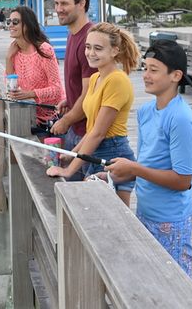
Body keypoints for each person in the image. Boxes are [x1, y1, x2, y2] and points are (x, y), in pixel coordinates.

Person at [104, 39, 192, 276]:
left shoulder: (180, 118)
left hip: (171, 219)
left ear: (176, 75)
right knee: (149, 278)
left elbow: (183, 180)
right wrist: (113, 171)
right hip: (145, 211)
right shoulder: (146, 111)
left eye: (153, 70)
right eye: (144, 68)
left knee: (174, 285)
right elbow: (146, 162)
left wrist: (134, 169)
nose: (146, 75)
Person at [46, 22, 139, 205]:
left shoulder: (117, 80)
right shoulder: (96, 77)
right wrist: (72, 153)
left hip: (113, 155)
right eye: (88, 47)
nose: (90, 53)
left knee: (115, 220)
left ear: (114, 51)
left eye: (98, 48)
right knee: (97, 217)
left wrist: (68, 171)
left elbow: (99, 133)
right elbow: (92, 128)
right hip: (94, 153)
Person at [49, 0, 96, 159]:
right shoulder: (72, 34)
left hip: (88, 135)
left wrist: (65, 121)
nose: (58, 9)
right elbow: (80, 82)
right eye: (56, 3)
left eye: (64, 4)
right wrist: (69, 99)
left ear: (81, 3)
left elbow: (90, 94)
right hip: (75, 128)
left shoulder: (90, 39)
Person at [5, 6, 64, 131]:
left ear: (27, 25)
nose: (10, 25)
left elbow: (57, 90)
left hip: (51, 119)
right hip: (28, 116)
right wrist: (8, 58)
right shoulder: (14, 51)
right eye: (8, 21)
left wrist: (29, 94)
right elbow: (10, 86)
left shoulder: (44, 49)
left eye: (15, 22)